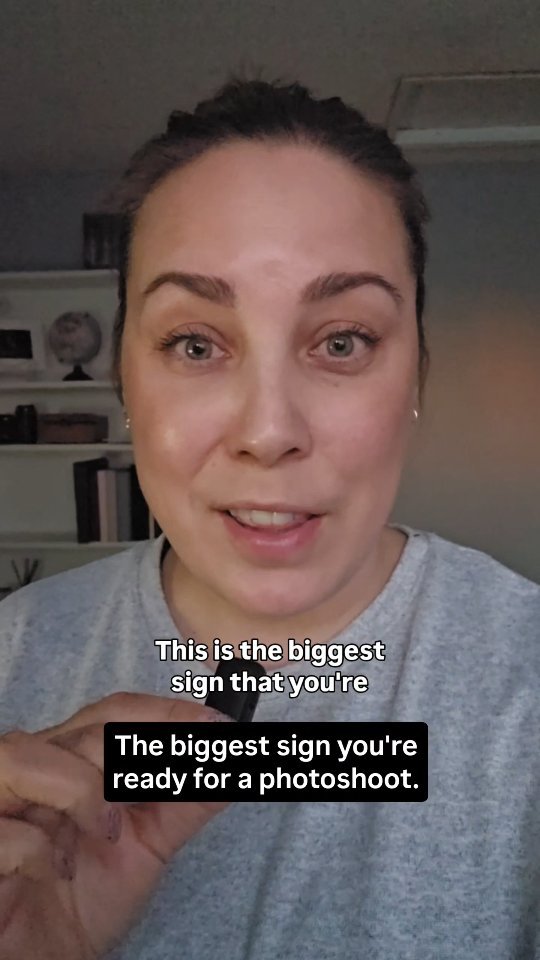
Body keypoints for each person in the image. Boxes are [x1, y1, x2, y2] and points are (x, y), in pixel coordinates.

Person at [0, 71, 539, 960]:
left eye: (342, 341)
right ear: (125, 380)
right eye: (195, 343)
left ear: (416, 374)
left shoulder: (523, 676)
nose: (268, 432)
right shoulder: (14, 662)